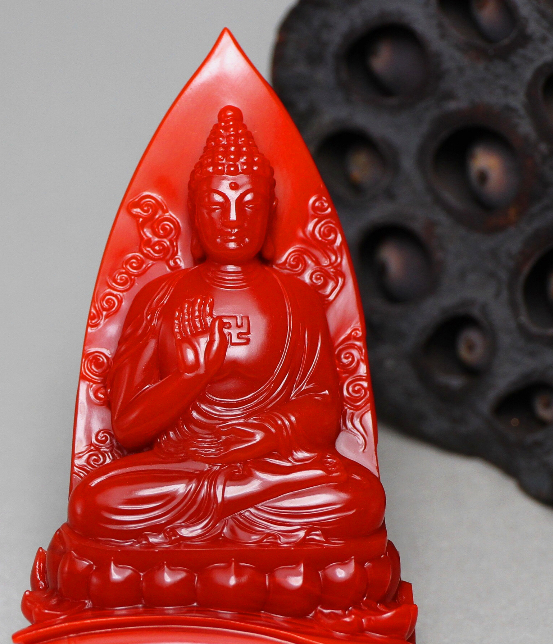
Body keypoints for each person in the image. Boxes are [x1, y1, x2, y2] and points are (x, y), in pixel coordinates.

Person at [68, 106, 384, 546]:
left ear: (269, 212)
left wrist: (262, 435)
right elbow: (127, 427)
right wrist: (189, 377)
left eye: (248, 204)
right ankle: (244, 507)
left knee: (360, 497)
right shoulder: (157, 297)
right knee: (94, 501)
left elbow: (325, 410)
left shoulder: (299, 300)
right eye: (217, 205)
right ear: (195, 214)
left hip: (270, 463)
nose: (233, 218)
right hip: (180, 466)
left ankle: (228, 511)